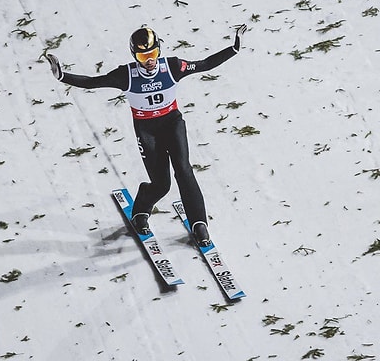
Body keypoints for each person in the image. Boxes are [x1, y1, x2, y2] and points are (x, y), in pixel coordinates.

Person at [46, 24, 247, 246]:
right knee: (162, 184)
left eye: (152, 54)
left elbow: (205, 64)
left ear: (159, 50)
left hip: (172, 124)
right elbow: (95, 82)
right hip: (147, 129)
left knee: (184, 169)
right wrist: (62, 76)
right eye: (143, 56)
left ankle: (199, 222)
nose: (149, 60)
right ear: (135, 55)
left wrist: (234, 48)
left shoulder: (172, 66)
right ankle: (141, 208)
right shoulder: (127, 75)